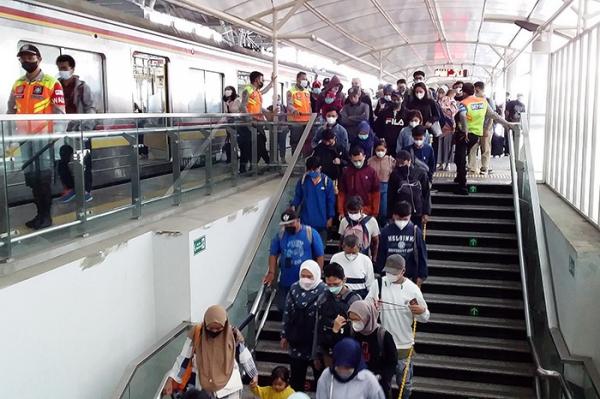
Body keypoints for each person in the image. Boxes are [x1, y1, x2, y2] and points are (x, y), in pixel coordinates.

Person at [7, 44, 65, 230]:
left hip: (44, 140)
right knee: (32, 180)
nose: (26, 61)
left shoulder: (51, 83)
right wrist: (11, 138)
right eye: (23, 58)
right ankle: (39, 214)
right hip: (25, 140)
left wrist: (54, 137)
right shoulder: (18, 84)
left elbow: (60, 114)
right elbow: (10, 111)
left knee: (43, 179)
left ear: (39, 59)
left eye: (30, 57)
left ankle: (46, 216)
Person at [367, 255, 430, 399]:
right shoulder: (379, 284)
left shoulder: (412, 289)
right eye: (388, 272)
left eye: (394, 273)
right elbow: (366, 309)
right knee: (383, 383)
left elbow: (425, 317)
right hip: (383, 345)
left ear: (403, 271)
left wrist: (421, 311)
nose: (390, 275)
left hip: (404, 345)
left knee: (405, 385)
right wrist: (373, 307)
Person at [162, 305, 258, 398]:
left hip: (229, 388)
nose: (215, 331)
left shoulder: (232, 336)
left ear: (225, 325)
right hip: (203, 387)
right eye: (210, 328)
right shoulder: (198, 334)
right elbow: (184, 358)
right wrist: (171, 378)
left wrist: (253, 374)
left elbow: (244, 355)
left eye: (219, 328)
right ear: (205, 323)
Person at [454, 83, 511, 195]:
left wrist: (465, 129)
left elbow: (462, 115)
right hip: (476, 135)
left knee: (460, 158)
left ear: (464, 92)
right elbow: (494, 115)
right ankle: (459, 177)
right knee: (461, 157)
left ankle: (462, 185)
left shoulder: (464, 103)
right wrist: (507, 124)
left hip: (463, 134)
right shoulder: (483, 102)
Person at [54, 54, 96, 204]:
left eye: (64, 68)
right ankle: (71, 188)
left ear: (72, 68)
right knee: (60, 161)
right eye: (59, 68)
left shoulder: (82, 87)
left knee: (84, 162)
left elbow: (90, 108)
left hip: (80, 130)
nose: (62, 71)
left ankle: (86, 191)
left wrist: (85, 127)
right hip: (62, 130)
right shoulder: (55, 86)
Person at [264, 209, 325, 310]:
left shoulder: (310, 233)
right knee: (283, 307)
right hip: (286, 281)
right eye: (286, 224)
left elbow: (320, 256)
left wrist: (317, 276)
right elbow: (273, 254)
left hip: (305, 281)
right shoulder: (280, 235)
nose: (288, 227)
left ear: (298, 220)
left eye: (291, 223)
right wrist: (271, 272)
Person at [282, 260, 326, 392]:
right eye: (303, 276)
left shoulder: (324, 290)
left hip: (315, 342)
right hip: (297, 341)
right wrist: (284, 335)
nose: (305, 279)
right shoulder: (294, 288)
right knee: (296, 379)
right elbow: (287, 311)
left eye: (309, 276)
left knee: (320, 380)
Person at [313, 262, 362, 371]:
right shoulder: (323, 298)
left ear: (344, 280)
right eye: (329, 284)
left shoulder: (354, 300)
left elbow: (359, 330)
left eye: (336, 284)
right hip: (326, 350)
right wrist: (316, 354)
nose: (332, 287)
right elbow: (317, 327)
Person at [348, 300, 398, 398]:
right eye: (351, 319)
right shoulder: (352, 332)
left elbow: (392, 361)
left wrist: (383, 377)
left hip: (377, 384)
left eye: (357, 319)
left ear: (367, 317)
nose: (354, 323)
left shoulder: (383, 335)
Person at [377, 201, 428, 286]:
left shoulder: (415, 231)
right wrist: (380, 272)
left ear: (410, 216)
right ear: (394, 216)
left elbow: (422, 254)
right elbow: (381, 253)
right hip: (389, 276)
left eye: (405, 219)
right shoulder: (386, 231)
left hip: (409, 276)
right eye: (399, 219)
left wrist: (421, 276)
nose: (402, 222)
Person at [315, 338, 385, 399]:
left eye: (347, 367)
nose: (343, 370)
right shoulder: (327, 376)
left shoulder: (368, 380)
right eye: (339, 366)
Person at [290, 156, 335, 243]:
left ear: (320, 168)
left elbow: (331, 201)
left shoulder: (326, 181)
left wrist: (330, 217)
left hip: (322, 222)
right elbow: (298, 196)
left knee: (320, 247)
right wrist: (293, 206)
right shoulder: (303, 181)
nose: (313, 172)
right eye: (310, 170)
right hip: (306, 221)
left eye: (315, 169)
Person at [241, 71, 276, 169]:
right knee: (259, 143)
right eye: (262, 79)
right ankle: (265, 163)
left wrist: (271, 83)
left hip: (259, 121)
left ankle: (258, 165)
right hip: (252, 122)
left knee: (261, 143)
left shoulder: (257, 91)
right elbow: (242, 106)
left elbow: (263, 93)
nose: (262, 81)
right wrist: (249, 119)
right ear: (256, 79)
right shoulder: (248, 90)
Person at [387, 150, 431, 228]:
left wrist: (426, 212)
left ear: (409, 161)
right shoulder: (394, 174)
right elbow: (391, 195)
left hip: (417, 212)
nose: (400, 166)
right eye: (398, 163)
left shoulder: (421, 173)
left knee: (416, 234)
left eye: (402, 163)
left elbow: (426, 194)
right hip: (400, 212)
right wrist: (390, 214)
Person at [337, 146, 380, 217]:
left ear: (364, 157)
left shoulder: (371, 172)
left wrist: (375, 212)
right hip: (350, 211)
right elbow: (342, 193)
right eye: (355, 161)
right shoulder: (346, 172)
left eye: (360, 160)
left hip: (366, 210)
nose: (358, 163)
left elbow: (376, 193)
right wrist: (341, 211)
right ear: (351, 159)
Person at [338, 196, 380, 260]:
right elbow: (341, 240)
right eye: (350, 212)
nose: (353, 214)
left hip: (364, 256)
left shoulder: (371, 221)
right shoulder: (344, 221)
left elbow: (376, 241)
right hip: (347, 256)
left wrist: (374, 258)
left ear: (361, 209)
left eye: (355, 212)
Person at [368, 140, 396, 223]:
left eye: (382, 150)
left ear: (386, 150)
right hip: (372, 187)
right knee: (373, 210)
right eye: (378, 150)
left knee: (384, 210)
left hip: (386, 187)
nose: (380, 152)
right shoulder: (370, 161)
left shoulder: (390, 160)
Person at [373, 91, 406, 159]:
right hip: (386, 145)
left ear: (402, 99)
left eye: (398, 99)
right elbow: (377, 127)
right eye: (394, 100)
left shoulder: (407, 113)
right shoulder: (384, 113)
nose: (396, 101)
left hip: (401, 145)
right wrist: (381, 138)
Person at [473, 81, 496, 175]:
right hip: (475, 128)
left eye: (475, 90)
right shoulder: (474, 100)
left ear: (478, 89)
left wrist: (487, 129)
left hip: (486, 128)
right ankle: (472, 166)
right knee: (473, 147)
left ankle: (485, 167)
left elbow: (492, 116)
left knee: (485, 148)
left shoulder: (489, 100)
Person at [287, 72, 312, 155]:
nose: (305, 80)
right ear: (297, 79)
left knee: (306, 143)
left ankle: (303, 161)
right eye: (303, 79)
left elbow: (309, 106)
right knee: (295, 143)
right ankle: (295, 163)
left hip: (306, 122)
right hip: (296, 122)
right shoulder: (291, 91)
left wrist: (311, 117)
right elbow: (289, 105)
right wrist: (294, 110)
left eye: (306, 79)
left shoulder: (307, 92)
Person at [437, 88, 458, 170]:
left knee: (442, 145)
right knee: (448, 146)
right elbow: (452, 111)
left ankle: (442, 163)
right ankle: (446, 163)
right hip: (449, 125)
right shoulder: (450, 101)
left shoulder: (445, 101)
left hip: (443, 125)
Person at [223, 85, 242, 165]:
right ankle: (230, 157)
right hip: (229, 123)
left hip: (238, 123)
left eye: (229, 90)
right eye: (226, 90)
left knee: (237, 140)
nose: (227, 91)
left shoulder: (237, 100)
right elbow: (226, 113)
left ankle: (239, 154)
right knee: (230, 140)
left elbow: (242, 110)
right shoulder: (226, 102)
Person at [267, 95, 289, 164]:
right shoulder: (270, 108)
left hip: (283, 129)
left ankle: (282, 158)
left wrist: (287, 126)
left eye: (278, 99)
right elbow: (269, 118)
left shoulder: (284, 107)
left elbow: (287, 117)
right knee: (274, 145)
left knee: (282, 144)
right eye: (275, 99)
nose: (277, 101)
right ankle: (274, 160)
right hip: (274, 129)